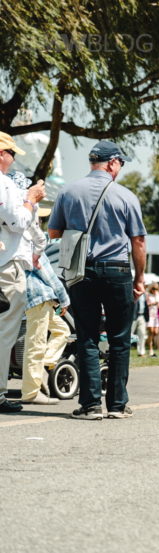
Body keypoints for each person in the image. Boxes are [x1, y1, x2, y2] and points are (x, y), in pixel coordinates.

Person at [48, 140, 146, 420]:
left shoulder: (68, 191)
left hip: (82, 271)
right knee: (119, 337)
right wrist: (139, 278)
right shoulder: (126, 196)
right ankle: (117, 405)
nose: (121, 169)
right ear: (112, 163)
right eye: (121, 164)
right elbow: (137, 241)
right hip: (117, 270)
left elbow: (54, 233)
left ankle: (90, 405)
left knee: (87, 336)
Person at [0, 132, 46, 413]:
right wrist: (30, 199)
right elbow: (17, 222)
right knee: (5, 331)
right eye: (11, 153)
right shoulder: (3, 183)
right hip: (7, 264)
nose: (14, 158)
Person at [21, 249, 71, 405]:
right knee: (35, 344)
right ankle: (31, 393)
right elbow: (48, 274)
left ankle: (43, 365)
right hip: (37, 296)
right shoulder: (32, 244)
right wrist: (64, 298)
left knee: (62, 330)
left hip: (43, 299)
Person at [145, 283, 159, 357]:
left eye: (157, 289)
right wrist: (153, 304)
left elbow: (158, 304)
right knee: (151, 332)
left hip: (155, 315)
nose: (155, 290)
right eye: (154, 289)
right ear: (151, 289)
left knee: (156, 332)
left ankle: (146, 342)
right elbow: (147, 305)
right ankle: (151, 349)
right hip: (149, 315)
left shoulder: (158, 294)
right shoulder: (148, 294)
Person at [132, 291, 148, 357]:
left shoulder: (144, 294)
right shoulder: (132, 292)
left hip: (142, 316)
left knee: (142, 334)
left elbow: (145, 305)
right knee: (129, 334)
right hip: (133, 316)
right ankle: (126, 352)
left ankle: (141, 352)